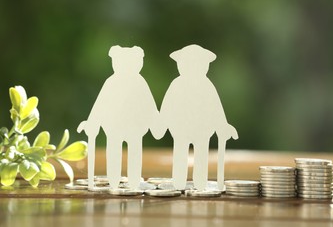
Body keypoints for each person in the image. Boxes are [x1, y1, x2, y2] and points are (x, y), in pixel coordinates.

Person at [154, 44, 238, 191]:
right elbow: (167, 107)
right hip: (180, 130)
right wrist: (161, 125)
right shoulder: (177, 84)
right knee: (180, 154)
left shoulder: (207, 86)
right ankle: (179, 183)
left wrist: (223, 126)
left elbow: (216, 109)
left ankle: (200, 183)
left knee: (201, 156)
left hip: (202, 131)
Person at [78, 45, 159, 190]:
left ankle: (134, 182)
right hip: (113, 128)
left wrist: (157, 123)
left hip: (135, 128)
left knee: (134, 154)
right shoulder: (111, 82)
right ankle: (114, 181)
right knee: (114, 153)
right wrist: (92, 123)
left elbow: (149, 106)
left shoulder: (140, 82)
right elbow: (100, 105)